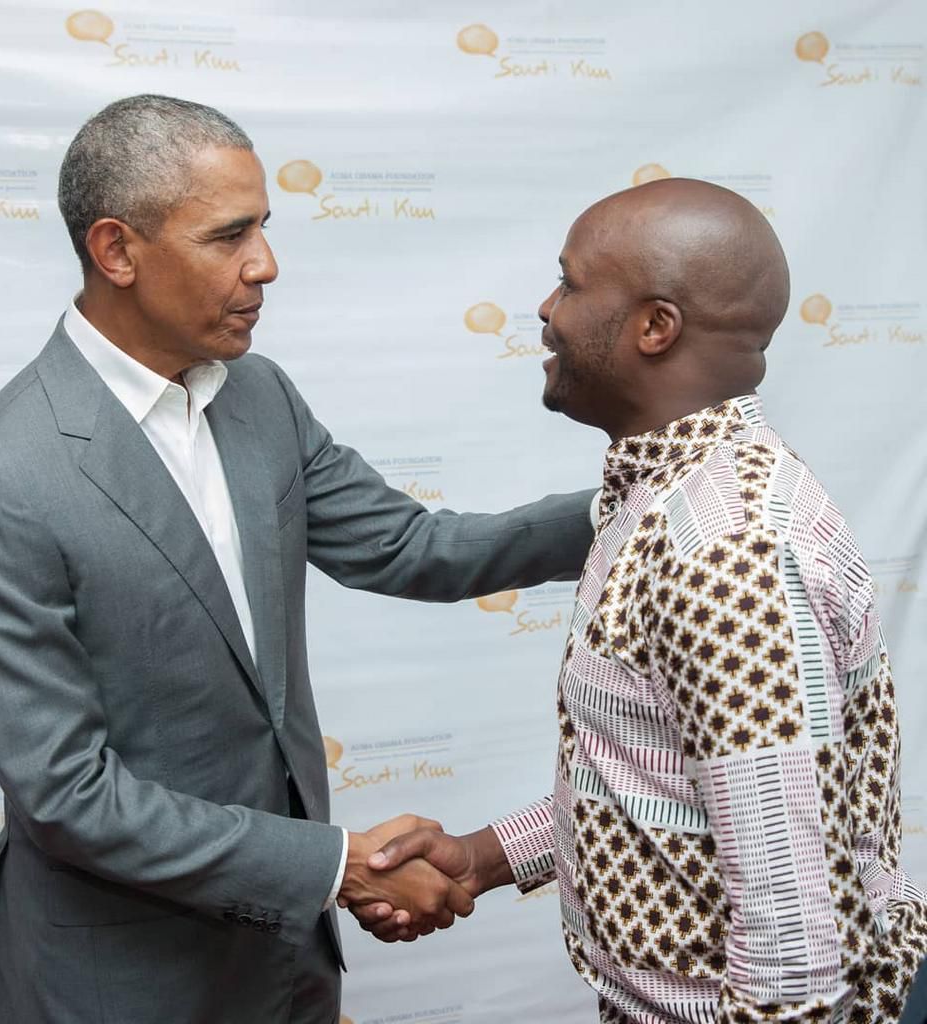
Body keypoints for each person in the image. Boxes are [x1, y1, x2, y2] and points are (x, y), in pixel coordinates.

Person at [0, 94, 596, 1024]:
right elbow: (67, 796)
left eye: (265, 228)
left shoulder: (259, 394)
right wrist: (333, 865)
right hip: (118, 984)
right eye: (229, 235)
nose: (266, 266)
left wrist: (637, 499)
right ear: (116, 251)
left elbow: (412, 547)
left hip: (285, 970)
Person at [354, 178, 927, 1023]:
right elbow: (656, 778)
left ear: (655, 326)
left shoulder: (726, 551)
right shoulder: (660, 499)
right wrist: (482, 857)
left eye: (572, 283)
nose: (546, 309)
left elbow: (799, 964)